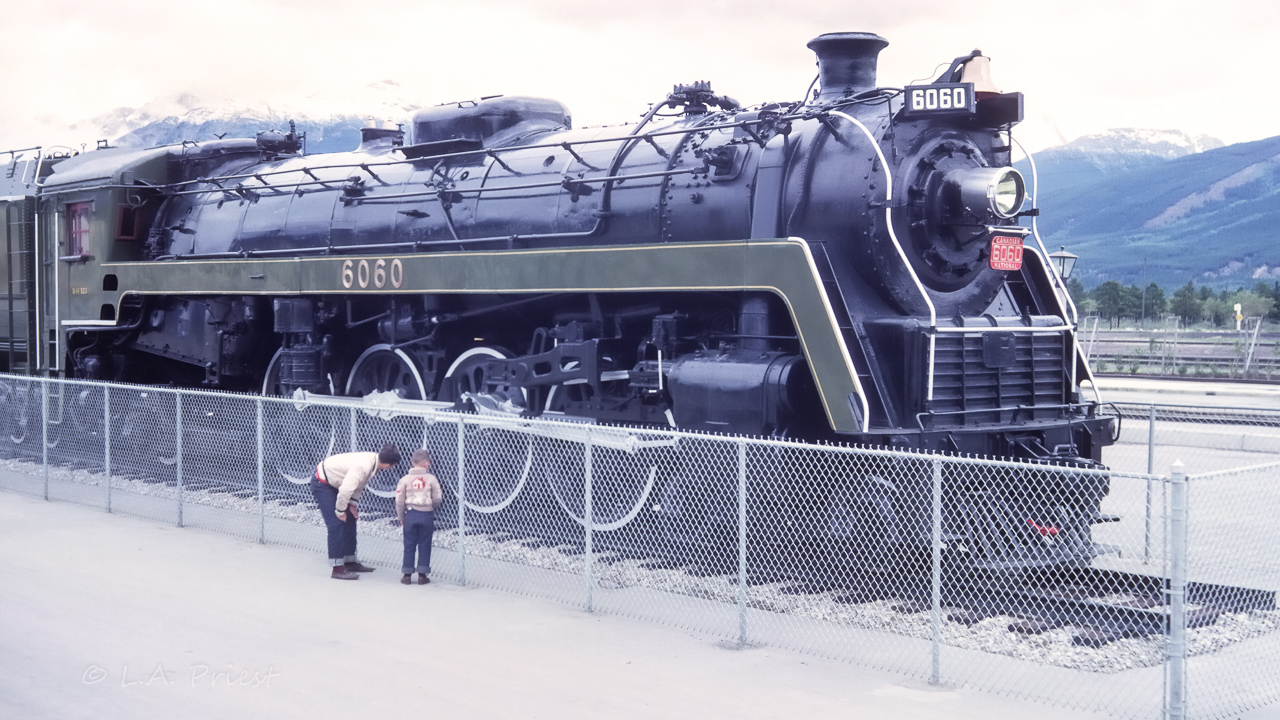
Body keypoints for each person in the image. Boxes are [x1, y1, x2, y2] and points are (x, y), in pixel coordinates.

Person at [313, 443, 401, 580]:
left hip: (337, 482)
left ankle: (349, 562)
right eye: (393, 466)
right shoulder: (363, 466)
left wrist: (352, 506)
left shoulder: (374, 461)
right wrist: (340, 510)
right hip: (323, 483)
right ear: (388, 465)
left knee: (350, 519)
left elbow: (359, 484)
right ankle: (337, 568)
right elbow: (346, 489)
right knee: (335, 524)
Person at [395, 448, 443, 585]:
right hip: (426, 514)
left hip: (410, 514)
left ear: (412, 463)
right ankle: (422, 575)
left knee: (409, 544)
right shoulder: (432, 479)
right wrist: (430, 506)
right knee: (425, 543)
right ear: (427, 463)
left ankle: (407, 575)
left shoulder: (404, 480)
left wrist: (401, 517)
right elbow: (438, 498)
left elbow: (399, 501)